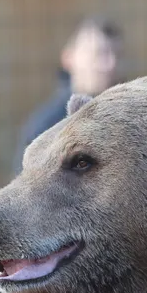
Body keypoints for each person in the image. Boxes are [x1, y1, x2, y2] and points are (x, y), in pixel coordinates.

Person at [12, 17, 122, 175]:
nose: (111, 64)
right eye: (99, 54)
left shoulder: (122, 117)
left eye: (117, 54)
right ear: (69, 58)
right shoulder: (46, 125)